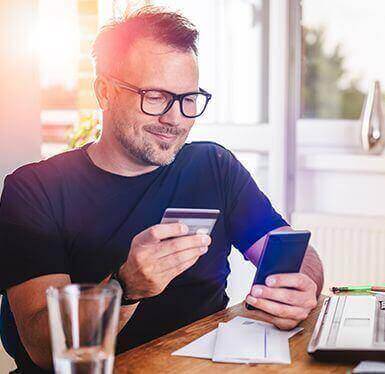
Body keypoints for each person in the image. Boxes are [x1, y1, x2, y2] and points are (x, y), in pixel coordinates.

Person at [0, 7, 323, 373]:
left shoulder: (214, 166)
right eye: (155, 96)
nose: (175, 119)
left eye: (188, 99)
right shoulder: (34, 190)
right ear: (104, 92)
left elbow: (289, 248)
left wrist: (302, 285)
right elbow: (43, 346)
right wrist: (125, 288)